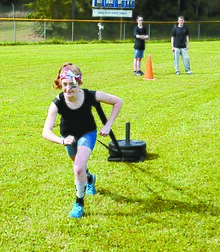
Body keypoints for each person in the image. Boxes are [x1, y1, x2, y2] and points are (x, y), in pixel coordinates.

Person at [42, 63, 123, 218]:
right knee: (80, 166)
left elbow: (118, 101)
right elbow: (45, 131)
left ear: (79, 82)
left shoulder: (90, 95)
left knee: (78, 168)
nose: (67, 89)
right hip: (68, 138)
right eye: (64, 85)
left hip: (87, 134)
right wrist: (62, 141)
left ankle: (79, 203)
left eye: (72, 85)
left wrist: (108, 125)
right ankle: (90, 178)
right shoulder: (57, 102)